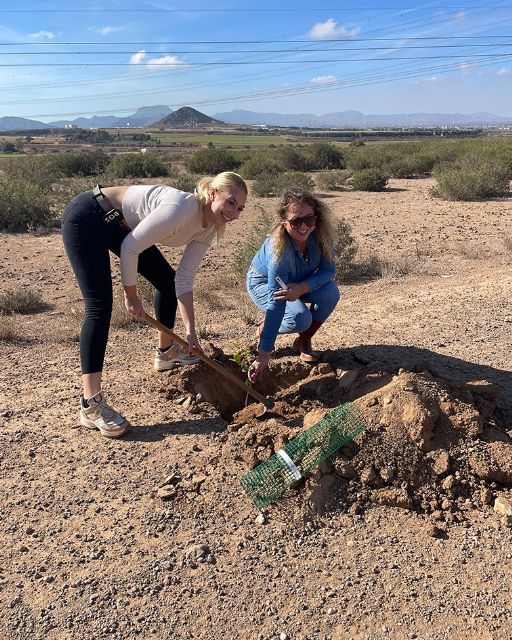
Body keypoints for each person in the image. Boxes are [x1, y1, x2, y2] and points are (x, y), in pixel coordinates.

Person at [62, 172, 248, 438]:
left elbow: (183, 280)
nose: (235, 213)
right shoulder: (180, 209)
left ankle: (166, 351)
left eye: (239, 208)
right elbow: (130, 249)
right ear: (213, 193)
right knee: (99, 308)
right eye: (231, 203)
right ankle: (90, 404)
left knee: (167, 282)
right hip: (89, 216)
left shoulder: (208, 228)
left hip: (120, 225)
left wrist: (190, 333)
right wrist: (132, 295)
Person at [246, 188, 339, 383]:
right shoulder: (278, 252)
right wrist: (263, 356)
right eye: (296, 221)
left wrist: (302, 287)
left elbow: (328, 270)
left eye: (309, 219)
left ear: (317, 218)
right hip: (264, 283)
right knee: (298, 318)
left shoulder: (321, 236)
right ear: (284, 221)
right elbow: (276, 303)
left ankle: (303, 340)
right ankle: (265, 331)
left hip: (299, 281)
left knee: (330, 293)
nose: (304, 226)